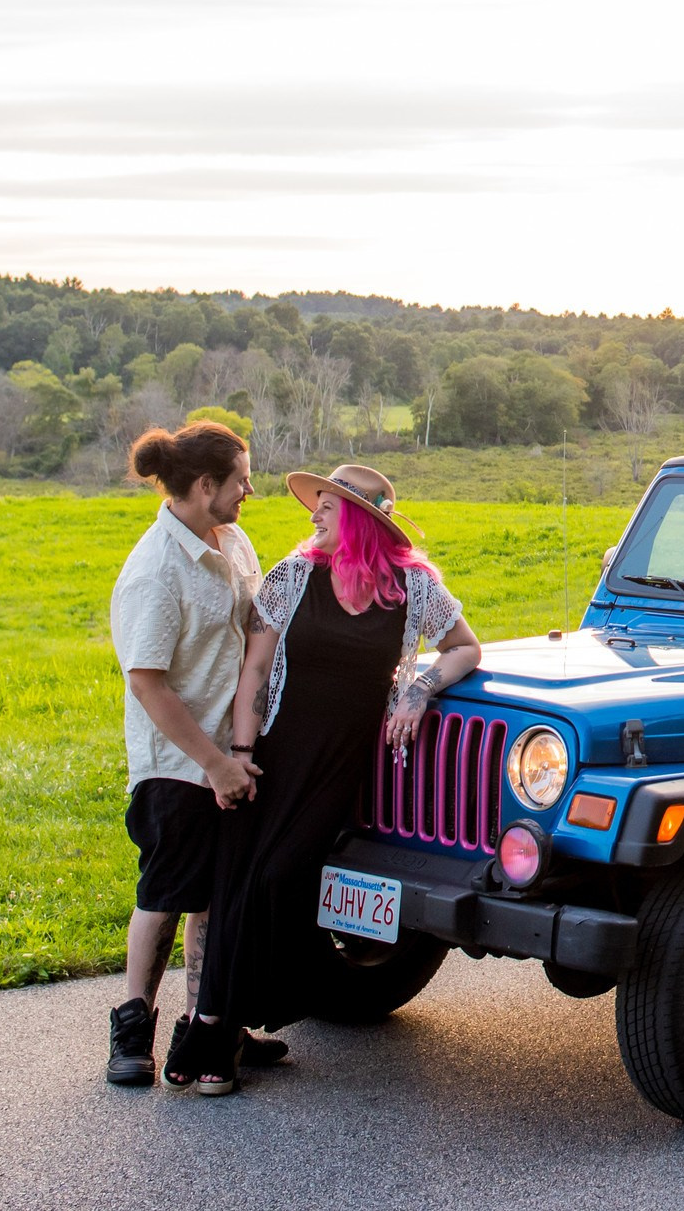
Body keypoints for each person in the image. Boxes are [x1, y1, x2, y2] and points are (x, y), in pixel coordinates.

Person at [172, 463, 482, 1093]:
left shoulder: (413, 587)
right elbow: (255, 671)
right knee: (240, 879)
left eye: (328, 506)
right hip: (275, 751)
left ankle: (222, 1026)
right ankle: (214, 1032)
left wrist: (419, 688)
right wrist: (240, 752)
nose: (314, 513)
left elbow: (464, 647)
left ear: (362, 520)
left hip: (342, 767)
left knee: (277, 878)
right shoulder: (292, 577)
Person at [105, 419, 274, 1088]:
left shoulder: (233, 541)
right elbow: (147, 683)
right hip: (178, 762)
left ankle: (205, 1030)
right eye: (241, 480)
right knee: (166, 894)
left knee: (215, 898)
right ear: (205, 485)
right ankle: (132, 1032)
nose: (250, 491)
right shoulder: (155, 570)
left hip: (229, 753)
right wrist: (214, 763)